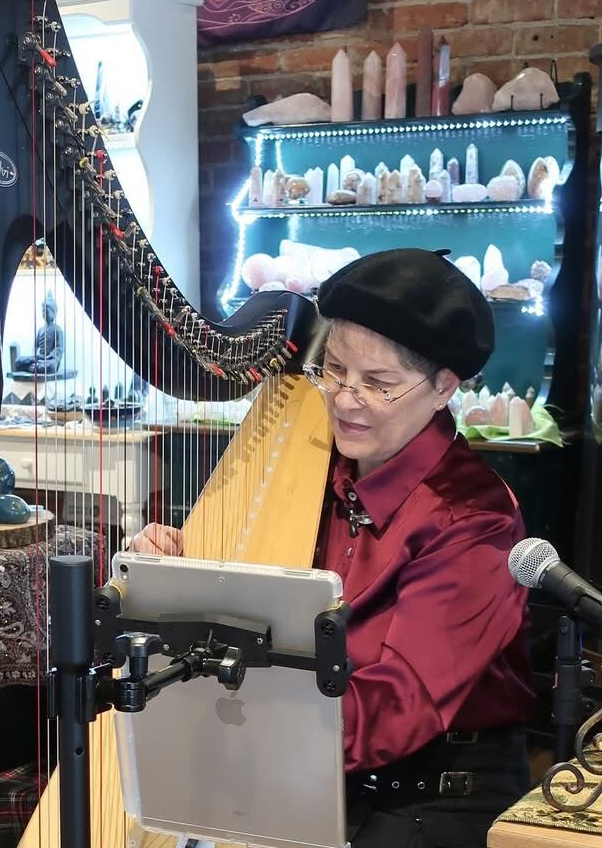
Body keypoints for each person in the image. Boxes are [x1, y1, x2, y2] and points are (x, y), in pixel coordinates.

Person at [133, 248, 534, 848]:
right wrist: (180, 569)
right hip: (315, 765)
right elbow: (263, 585)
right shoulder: (315, 466)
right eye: (336, 370)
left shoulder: (474, 518)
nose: (346, 399)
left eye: (378, 384)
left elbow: (400, 704)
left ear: (443, 386)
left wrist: (230, 735)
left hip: (434, 794)